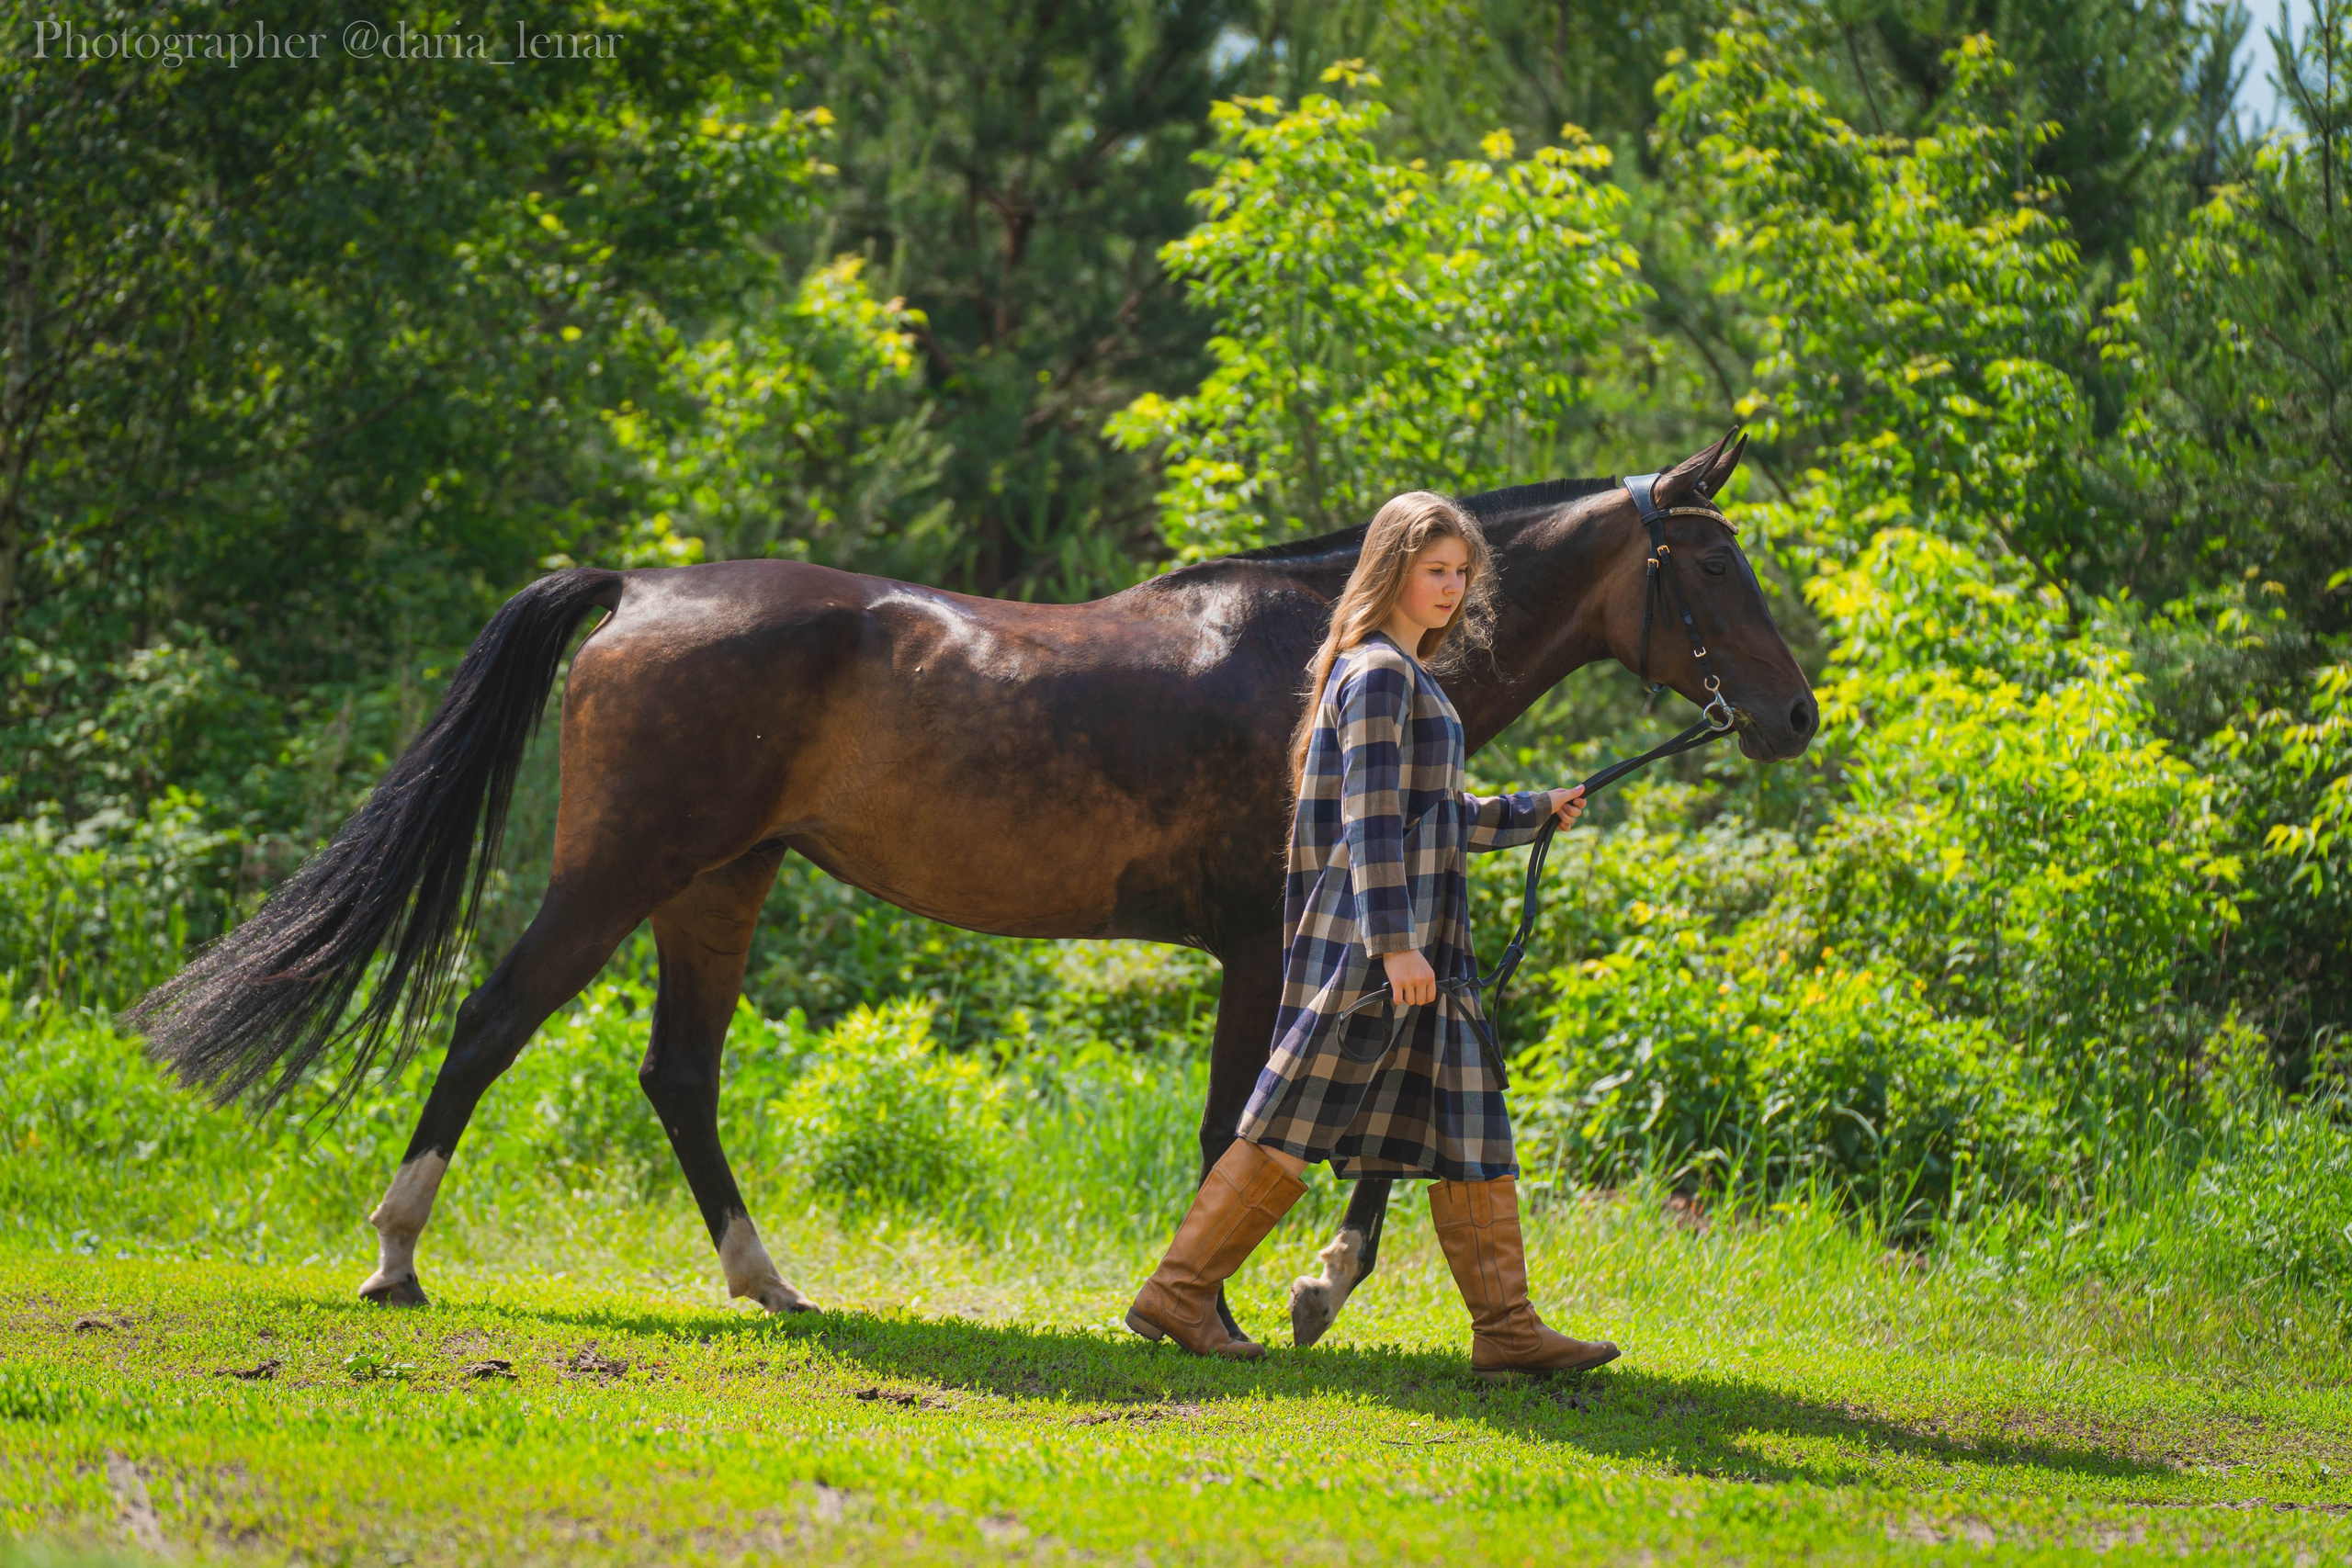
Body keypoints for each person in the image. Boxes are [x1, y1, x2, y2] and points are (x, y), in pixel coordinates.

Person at [1125, 491, 1620, 1374]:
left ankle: (1504, 1328)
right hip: (1371, 947)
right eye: (1435, 569)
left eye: (1462, 572)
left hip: (1422, 944)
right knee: (1286, 1125)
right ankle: (1181, 1289)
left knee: (1474, 1125)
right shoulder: (1380, 672)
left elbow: (1426, 811)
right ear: (1391, 568)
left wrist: (1528, 812)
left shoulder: (1394, 672)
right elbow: (1369, 817)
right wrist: (1394, 945)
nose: (1451, 587)